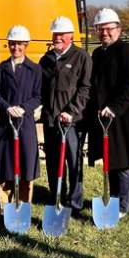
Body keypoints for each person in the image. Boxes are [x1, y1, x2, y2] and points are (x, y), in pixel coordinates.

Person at [87, 8, 129, 219]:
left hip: (120, 116)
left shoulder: (127, 52)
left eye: (109, 29)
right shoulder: (98, 53)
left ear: (118, 30)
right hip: (102, 117)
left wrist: (113, 107)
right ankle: (113, 198)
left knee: (121, 162)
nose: (105, 33)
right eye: (100, 29)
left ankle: (122, 205)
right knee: (109, 160)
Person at [39, 16, 92, 218]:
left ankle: (75, 202)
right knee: (53, 161)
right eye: (55, 34)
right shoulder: (47, 59)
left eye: (62, 34)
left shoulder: (81, 57)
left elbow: (86, 88)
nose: (58, 37)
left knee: (73, 161)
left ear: (71, 36)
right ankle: (56, 198)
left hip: (73, 122)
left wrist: (71, 111)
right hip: (51, 120)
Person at [0, 25, 41, 211]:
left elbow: (37, 95)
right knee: (5, 165)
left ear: (26, 45)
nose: (16, 48)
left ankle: (24, 204)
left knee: (26, 165)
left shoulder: (35, 69)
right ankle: (5, 205)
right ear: (8, 45)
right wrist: (8, 108)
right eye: (12, 44)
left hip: (25, 124)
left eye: (20, 44)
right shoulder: (0, 69)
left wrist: (23, 109)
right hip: (5, 123)